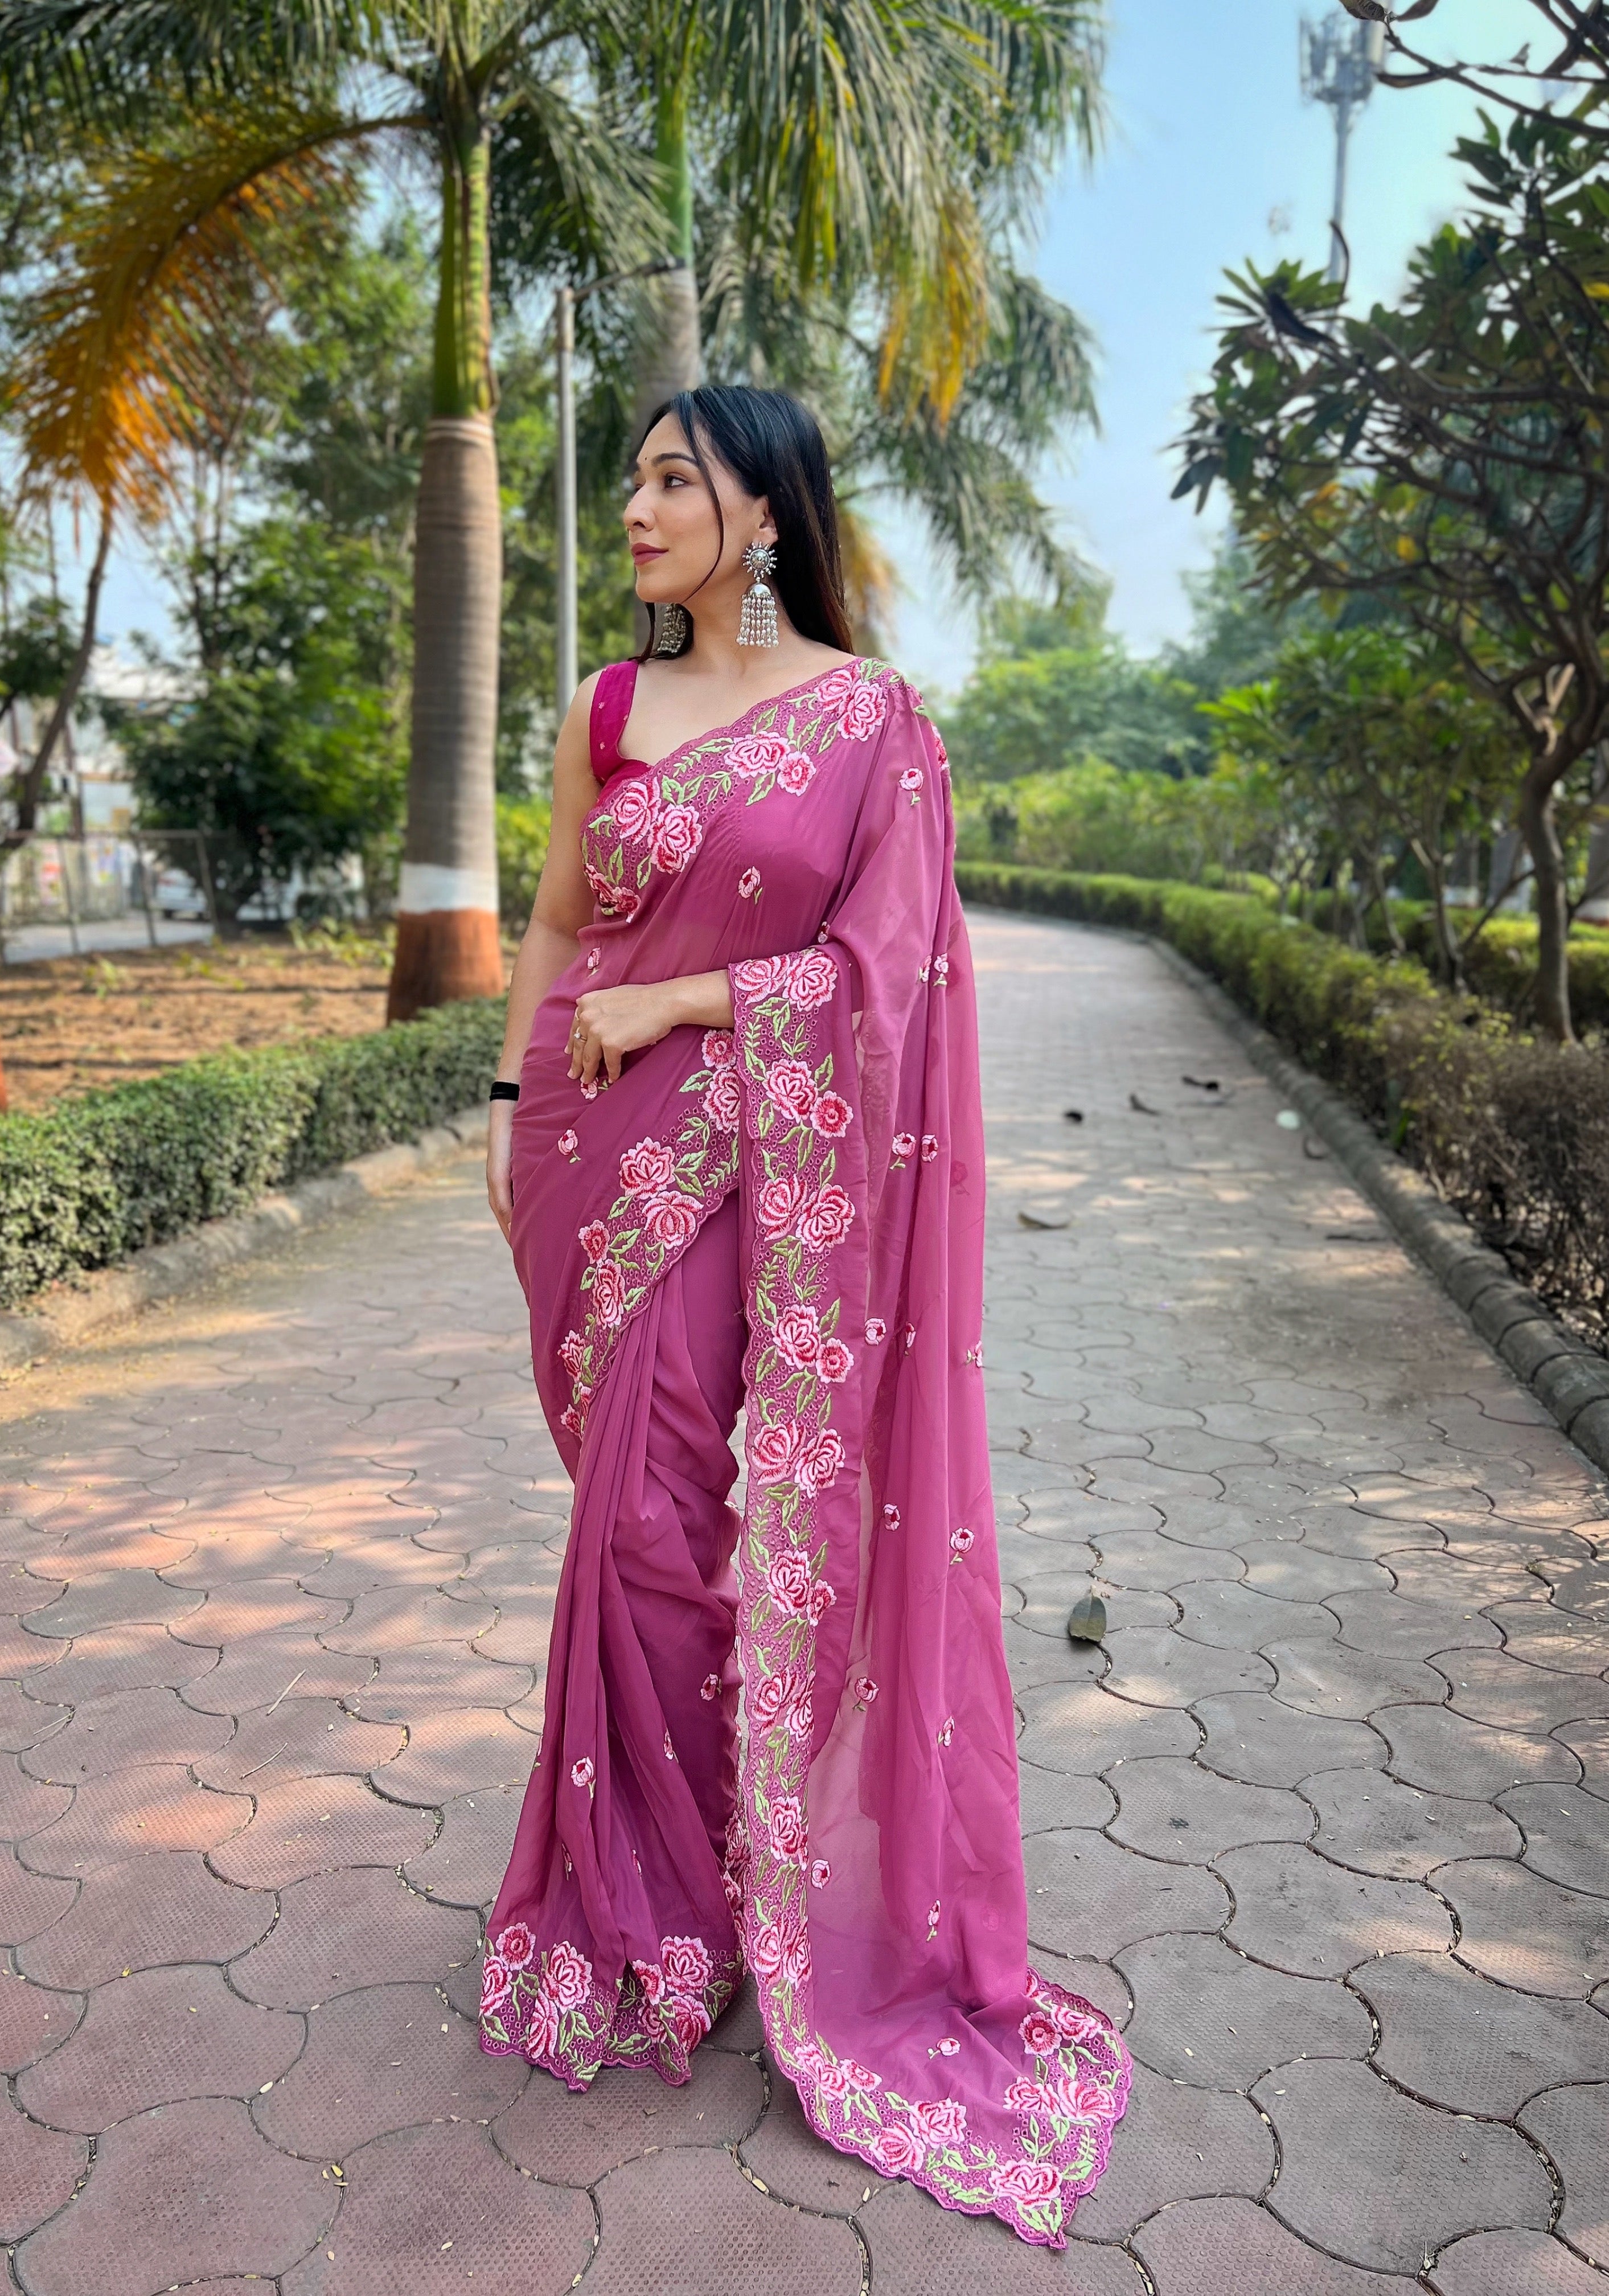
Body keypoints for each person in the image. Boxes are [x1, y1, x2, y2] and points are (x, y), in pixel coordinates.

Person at [478, 383, 1130, 2244]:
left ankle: (688, 1900)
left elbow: (887, 974)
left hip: (738, 1151)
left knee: (672, 1526)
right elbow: (551, 925)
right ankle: (650, 1899)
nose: (639, 504)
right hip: (580, 1148)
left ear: (766, 513)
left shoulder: (868, 720)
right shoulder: (608, 707)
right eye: (633, 480)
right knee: (623, 1515)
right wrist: (512, 1109)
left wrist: (685, 1014)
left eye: (676, 477)